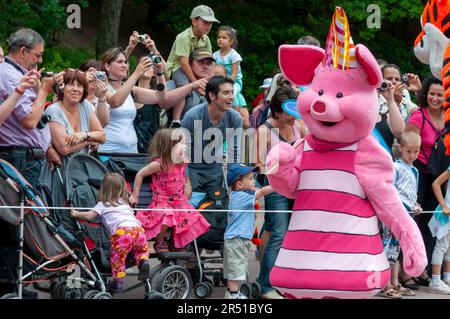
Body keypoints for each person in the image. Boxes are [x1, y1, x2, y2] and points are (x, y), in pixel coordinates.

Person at [255, 85, 306, 299]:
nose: (293, 117)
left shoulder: (298, 125)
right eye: (289, 113)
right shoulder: (264, 130)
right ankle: (266, 285)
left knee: (282, 231)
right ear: (276, 111)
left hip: (298, 186)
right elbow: (258, 164)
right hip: (276, 186)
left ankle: (285, 279)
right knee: (278, 233)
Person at [0, 28, 64, 187]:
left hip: (27, 156)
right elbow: (29, 121)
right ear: (23, 51)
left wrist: (47, 147)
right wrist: (44, 89)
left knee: (29, 209)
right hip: (20, 158)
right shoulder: (11, 76)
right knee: (24, 210)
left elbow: (36, 112)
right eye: (37, 55)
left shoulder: (21, 73)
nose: (40, 60)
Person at [131, 128, 211, 252]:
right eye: (182, 144)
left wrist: (187, 185)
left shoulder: (181, 162)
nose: (185, 147)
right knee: (167, 214)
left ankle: (176, 242)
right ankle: (160, 241)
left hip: (179, 202)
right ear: (170, 147)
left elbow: (184, 177)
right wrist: (135, 195)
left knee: (194, 216)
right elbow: (140, 174)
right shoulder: (159, 164)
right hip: (162, 203)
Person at [70, 173, 151, 293]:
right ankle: (143, 261)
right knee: (141, 250)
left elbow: (90, 216)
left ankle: (118, 283)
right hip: (138, 230)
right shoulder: (124, 203)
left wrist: (76, 213)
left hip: (122, 233)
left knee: (117, 257)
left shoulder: (103, 205)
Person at [40, 69, 106, 213]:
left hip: (81, 170)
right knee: (60, 213)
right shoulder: (53, 110)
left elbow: (102, 136)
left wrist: (84, 135)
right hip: (60, 170)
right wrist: (89, 140)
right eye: (71, 84)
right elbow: (64, 148)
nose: (76, 89)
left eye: (80, 85)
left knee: (81, 212)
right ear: (63, 88)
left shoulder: (86, 106)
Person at [406, 76, 446, 285]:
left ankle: (423, 268)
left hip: (440, 177)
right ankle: (406, 270)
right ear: (425, 94)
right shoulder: (418, 116)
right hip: (419, 173)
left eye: (440, 94)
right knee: (413, 219)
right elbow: (407, 146)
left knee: (431, 224)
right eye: (432, 93)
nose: (435, 98)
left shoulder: (448, 117)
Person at [98, 47, 166, 154]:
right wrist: (136, 74)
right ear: (107, 66)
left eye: (126, 62)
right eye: (120, 62)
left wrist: (160, 73)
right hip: (107, 151)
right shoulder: (101, 87)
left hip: (131, 152)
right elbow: (115, 102)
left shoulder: (131, 90)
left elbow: (160, 96)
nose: (124, 65)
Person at [378, 131, 422, 298]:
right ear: (400, 148)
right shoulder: (395, 167)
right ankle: (385, 284)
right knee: (388, 247)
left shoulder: (415, 171)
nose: (412, 155)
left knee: (397, 250)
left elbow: (411, 193)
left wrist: (415, 205)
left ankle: (396, 283)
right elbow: (390, 190)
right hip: (394, 214)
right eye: (408, 151)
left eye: (415, 151)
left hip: (407, 215)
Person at [181, 75, 242, 193]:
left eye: (232, 92)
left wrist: (233, 181)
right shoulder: (193, 116)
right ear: (212, 95)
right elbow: (182, 152)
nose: (231, 97)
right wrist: (186, 181)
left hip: (215, 170)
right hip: (192, 169)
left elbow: (234, 151)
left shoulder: (235, 118)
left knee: (216, 208)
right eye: (226, 93)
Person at [224, 164, 273, 299]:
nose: (253, 181)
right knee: (237, 269)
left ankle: (231, 292)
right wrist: (277, 186)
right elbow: (261, 192)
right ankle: (234, 295)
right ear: (239, 185)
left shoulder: (237, 195)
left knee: (234, 268)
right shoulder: (242, 196)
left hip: (236, 238)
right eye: (251, 179)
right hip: (237, 239)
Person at [166, 4, 219, 127]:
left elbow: (211, 61)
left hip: (192, 67)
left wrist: (210, 79)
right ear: (194, 21)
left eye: (211, 23)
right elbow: (184, 63)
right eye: (206, 22)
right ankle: (176, 119)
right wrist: (196, 84)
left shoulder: (205, 39)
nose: (209, 26)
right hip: (177, 68)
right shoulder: (183, 37)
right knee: (185, 87)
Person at [428, 165, 450, 294]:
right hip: (447, 213)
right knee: (441, 246)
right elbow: (436, 184)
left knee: (449, 248)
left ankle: (447, 278)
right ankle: (435, 281)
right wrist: (443, 205)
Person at [213, 26, 244, 108]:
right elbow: (212, 71)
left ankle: (235, 113)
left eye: (224, 38)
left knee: (231, 93)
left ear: (231, 41)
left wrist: (228, 85)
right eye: (219, 37)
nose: (220, 39)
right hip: (220, 81)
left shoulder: (234, 55)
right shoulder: (215, 55)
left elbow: (234, 73)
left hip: (235, 82)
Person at [214, 64, 249, 128]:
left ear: (226, 77)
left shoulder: (237, 95)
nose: (218, 80)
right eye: (215, 77)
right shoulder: (205, 93)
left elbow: (245, 123)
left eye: (221, 77)